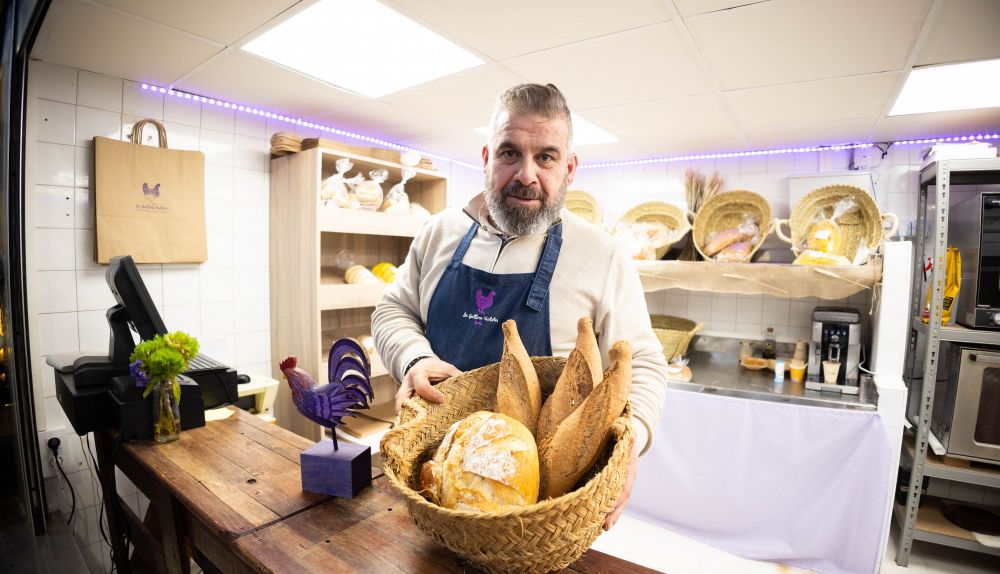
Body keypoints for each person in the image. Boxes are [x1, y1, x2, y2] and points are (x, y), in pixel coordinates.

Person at [372, 83, 666, 530]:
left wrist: (631, 441)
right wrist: (414, 358)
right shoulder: (438, 233)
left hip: (542, 515)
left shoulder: (601, 255)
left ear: (569, 168)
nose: (527, 174)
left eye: (545, 157)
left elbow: (642, 362)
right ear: (487, 158)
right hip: (433, 486)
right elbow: (392, 311)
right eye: (510, 153)